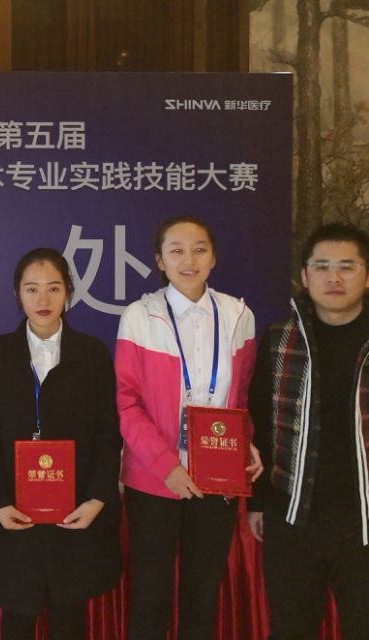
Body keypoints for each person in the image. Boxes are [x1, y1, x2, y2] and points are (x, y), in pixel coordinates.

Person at [247, 222, 369, 639]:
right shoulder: (280, 338)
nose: (334, 277)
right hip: (292, 517)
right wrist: (259, 501)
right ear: (305, 275)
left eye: (347, 266)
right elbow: (261, 425)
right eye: (322, 266)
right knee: (289, 630)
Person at [114, 215, 262, 640]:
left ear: (213, 258)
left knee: (202, 594)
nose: (188, 260)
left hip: (217, 479)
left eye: (199, 250)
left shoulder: (238, 315)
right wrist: (168, 466)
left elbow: (242, 397)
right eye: (176, 250)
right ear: (160, 260)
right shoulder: (140, 316)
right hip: (153, 480)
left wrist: (246, 443)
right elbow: (126, 402)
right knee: (150, 597)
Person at [0, 247, 122, 640]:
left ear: (68, 292)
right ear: (17, 294)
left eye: (54, 288)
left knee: (69, 619)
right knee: (17, 618)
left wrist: (96, 500)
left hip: (75, 513)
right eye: (32, 289)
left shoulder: (91, 354)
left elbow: (108, 435)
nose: (43, 299)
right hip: (14, 514)